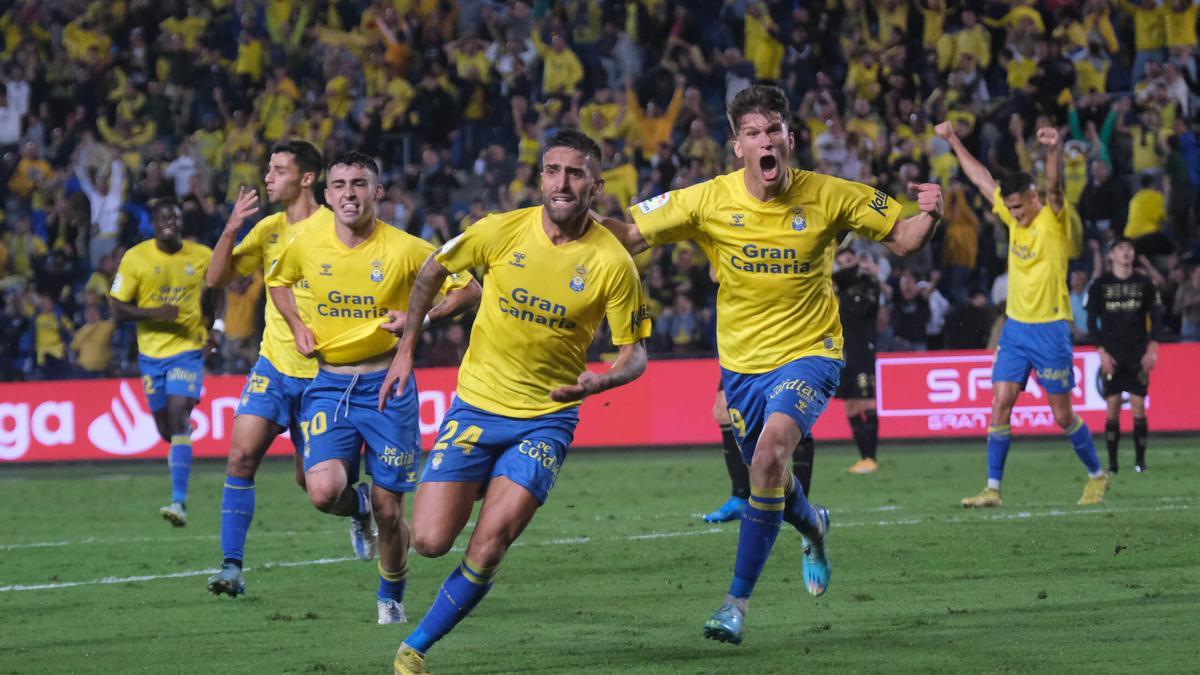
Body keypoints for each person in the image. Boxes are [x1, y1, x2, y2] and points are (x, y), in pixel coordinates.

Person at [596, 84, 943, 645]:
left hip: (811, 354)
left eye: (774, 130)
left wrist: (931, 213)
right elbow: (630, 236)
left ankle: (735, 604)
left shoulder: (831, 194)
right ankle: (814, 524)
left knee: (770, 457)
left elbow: (904, 239)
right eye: (753, 133)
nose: (766, 141)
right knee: (771, 479)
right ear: (738, 147)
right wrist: (570, 219)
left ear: (789, 138)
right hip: (741, 367)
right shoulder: (707, 199)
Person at [385, 129, 651, 674]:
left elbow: (636, 354)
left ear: (596, 186)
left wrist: (599, 382)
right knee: (431, 541)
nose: (562, 181)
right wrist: (408, 346)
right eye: (553, 170)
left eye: (576, 172)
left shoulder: (613, 263)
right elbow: (433, 269)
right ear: (540, 178)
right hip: (477, 406)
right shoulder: (500, 231)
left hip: (545, 421)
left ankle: (414, 648)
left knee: (490, 544)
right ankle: (483, 477)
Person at [266, 151, 480, 623]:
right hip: (329, 385)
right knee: (322, 492)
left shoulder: (406, 249)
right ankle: (354, 504)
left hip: (388, 387)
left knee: (390, 509)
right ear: (325, 194)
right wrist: (296, 324)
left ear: (377, 192)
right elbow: (277, 280)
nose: (349, 193)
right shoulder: (307, 245)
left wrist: (417, 317)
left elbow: (469, 290)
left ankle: (391, 598)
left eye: (359, 183)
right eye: (339, 184)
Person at [937, 121, 1110, 508]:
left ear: (1033, 198)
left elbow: (1055, 187)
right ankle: (993, 489)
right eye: (1009, 208)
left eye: (1019, 207)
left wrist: (1053, 149)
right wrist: (952, 141)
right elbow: (983, 179)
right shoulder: (1014, 213)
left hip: (1051, 329)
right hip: (1016, 328)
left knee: (1062, 415)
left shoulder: (1053, 217)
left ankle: (1098, 476)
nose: (1014, 215)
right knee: (1000, 403)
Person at [203, 140, 335, 598]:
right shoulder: (267, 229)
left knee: (315, 487)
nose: (267, 177)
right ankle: (231, 567)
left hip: (324, 375)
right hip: (274, 365)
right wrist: (231, 227)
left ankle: (359, 511)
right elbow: (215, 278)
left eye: (278, 170)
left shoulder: (336, 228)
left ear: (306, 178)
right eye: (268, 169)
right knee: (240, 457)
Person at [108, 198, 219, 526]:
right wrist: (155, 314)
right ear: (153, 224)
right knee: (164, 429)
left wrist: (215, 329)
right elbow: (116, 307)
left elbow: (216, 289)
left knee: (177, 414)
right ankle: (181, 430)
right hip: (151, 355)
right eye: (163, 217)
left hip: (188, 349)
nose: (169, 221)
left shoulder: (201, 256)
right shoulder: (136, 258)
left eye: (175, 216)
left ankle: (178, 502)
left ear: (181, 222)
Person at [1086, 237, 1160, 474]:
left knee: (1139, 406)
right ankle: (1113, 464)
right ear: (1111, 256)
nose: (1126, 252)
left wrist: (1153, 348)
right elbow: (1091, 322)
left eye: (1129, 248)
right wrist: (1101, 351)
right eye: (1120, 248)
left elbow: (1156, 317)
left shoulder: (1144, 283)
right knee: (1113, 406)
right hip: (1113, 354)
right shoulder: (1100, 284)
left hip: (1137, 353)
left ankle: (1140, 462)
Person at [833, 249, 883, 474]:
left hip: (863, 350)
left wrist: (872, 276)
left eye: (848, 261)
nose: (844, 265)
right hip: (843, 352)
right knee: (851, 405)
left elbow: (865, 309)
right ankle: (863, 457)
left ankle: (871, 457)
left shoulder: (868, 284)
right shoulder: (836, 287)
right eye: (840, 262)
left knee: (867, 402)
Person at [703, 385, 750, 523]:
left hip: (779, 364)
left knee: (786, 413)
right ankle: (740, 497)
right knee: (724, 411)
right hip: (740, 362)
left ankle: (799, 502)